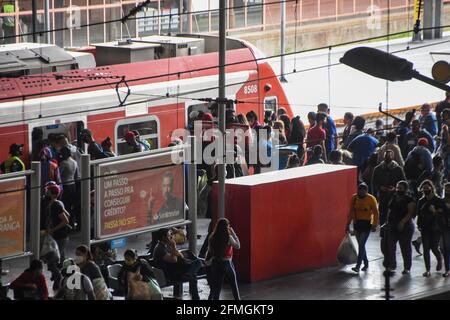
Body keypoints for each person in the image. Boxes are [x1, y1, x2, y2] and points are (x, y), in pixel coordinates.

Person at [153, 228, 202, 300]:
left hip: (177, 269)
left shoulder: (166, 245)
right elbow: (174, 260)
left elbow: (180, 255)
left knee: (196, 265)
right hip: (170, 273)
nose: (171, 237)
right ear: (164, 237)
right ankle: (195, 297)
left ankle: (190, 274)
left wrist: (174, 249)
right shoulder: (160, 249)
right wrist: (173, 246)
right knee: (197, 266)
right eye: (169, 235)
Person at [383, 181, 416, 275]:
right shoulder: (393, 197)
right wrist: (387, 222)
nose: (398, 190)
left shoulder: (409, 200)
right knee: (390, 246)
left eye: (400, 188)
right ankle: (392, 265)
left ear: (405, 189)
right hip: (392, 225)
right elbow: (390, 209)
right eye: (397, 188)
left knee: (405, 248)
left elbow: (410, 213)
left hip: (406, 227)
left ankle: (407, 268)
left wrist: (402, 222)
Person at [372, 150, 406, 237]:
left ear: (393, 157)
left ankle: (393, 231)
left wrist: (396, 189)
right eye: (386, 155)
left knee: (394, 213)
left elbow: (404, 182)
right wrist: (380, 187)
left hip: (395, 196)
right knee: (382, 213)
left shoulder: (398, 169)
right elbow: (374, 183)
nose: (388, 157)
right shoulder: (378, 169)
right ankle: (383, 231)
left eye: (389, 156)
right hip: (382, 196)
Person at [346, 183, 379, 272]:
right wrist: (347, 224)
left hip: (366, 225)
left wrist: (374, 224)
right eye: (359, 190)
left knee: (361, 245)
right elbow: (351, 212)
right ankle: (366, 262)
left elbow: (376, 213)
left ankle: (358, 266)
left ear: (366, 191)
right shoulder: (354, 198)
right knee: (361, 246)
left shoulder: (371, 199)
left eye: (363, 191)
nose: (361, 192)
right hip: (357, 224)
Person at [207, 218, 241, 300]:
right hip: (226, 263)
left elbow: (210, 250)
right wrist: (233, 233)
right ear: (226, 227)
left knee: (216, 288)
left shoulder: (212, 237)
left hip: (215, 263)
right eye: (228, 226)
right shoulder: (228, 237)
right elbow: (238, 246)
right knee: (233, 286)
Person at [417, 180, 443, 277]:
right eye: (424, 188)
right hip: (425, 227)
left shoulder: (438, 200)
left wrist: (435, 211)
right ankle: (427, 269)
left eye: (427, 188)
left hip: (435, 228)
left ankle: (439, 258)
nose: (426, 190)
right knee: (426, 248)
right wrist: (418, 224)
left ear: (432, 188)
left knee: (434, 247)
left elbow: (442, 213)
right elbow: (419, 213)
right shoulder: (421, 201)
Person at [44, 183, 70, 266]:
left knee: (57, 258)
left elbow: (66, 220)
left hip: (60, 236)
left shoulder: (56, 205)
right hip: (56, 235)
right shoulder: (54, 203)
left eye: (48, 192)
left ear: (54, 194)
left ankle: (62, 274)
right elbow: (68, 215)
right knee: (61, 256)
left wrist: (52, 229)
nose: (46, 194)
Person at [59, 146, 79, 229]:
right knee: (71, 205)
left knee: (65, 206)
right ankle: (72, 222)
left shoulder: (63, 163)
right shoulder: (74, 162)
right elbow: (77, 176)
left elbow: (58, 175)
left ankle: (66, 225)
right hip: (73, 185)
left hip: (65, 186)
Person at [438, 182, 450, 277]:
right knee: (445, 248)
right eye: (445, 189)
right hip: (445, 227)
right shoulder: (441, 201)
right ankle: (447, 269)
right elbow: (439, 213)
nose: (447, 191)